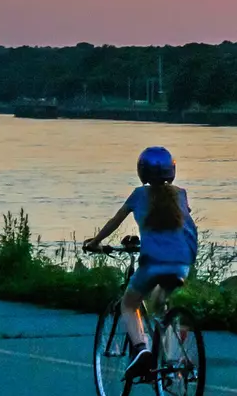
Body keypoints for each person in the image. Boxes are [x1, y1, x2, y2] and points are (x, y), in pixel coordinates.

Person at [83, 146, 199, 381]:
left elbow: (115, 221)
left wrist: (95, 242)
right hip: (182, 263)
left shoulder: (139, 195)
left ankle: (141, 350)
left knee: (129, 304)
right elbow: (182, 222)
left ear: (142, 171)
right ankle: (174, 360)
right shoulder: (181, 194)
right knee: (160, 305)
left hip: (153, 263)